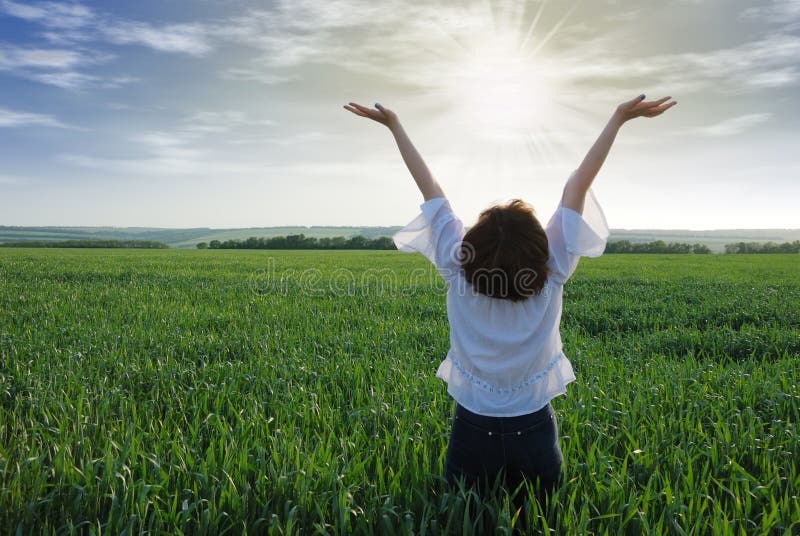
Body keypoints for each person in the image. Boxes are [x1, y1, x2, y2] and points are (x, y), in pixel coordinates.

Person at [343, 95, 676, 503]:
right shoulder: (552, 267)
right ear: (538, 243)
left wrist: (394, 125)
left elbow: (430, 187)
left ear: (472, 243)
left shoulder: (456, 263)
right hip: (534, 429)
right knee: (542, 519)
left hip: (471, 426)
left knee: (463, 518)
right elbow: (578, 184)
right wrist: (618, 119)